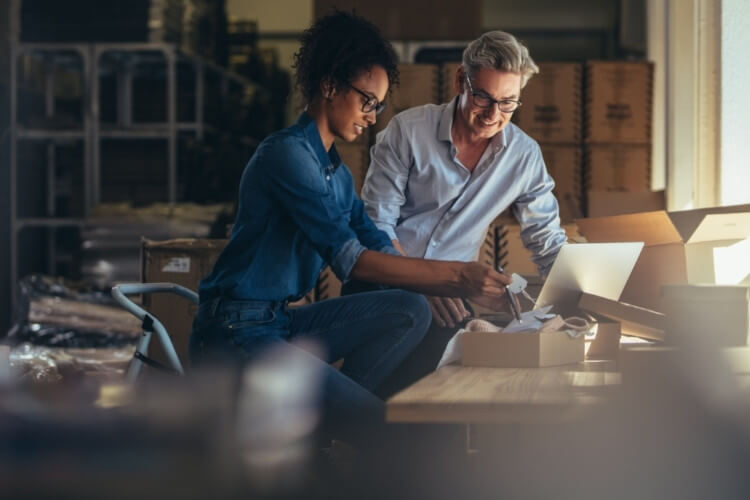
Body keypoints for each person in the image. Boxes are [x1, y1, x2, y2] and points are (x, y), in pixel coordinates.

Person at [188, 12, 512, 444]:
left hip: (280, 323)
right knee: (379, 425)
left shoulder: (334, 173)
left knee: (409, 308)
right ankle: (336, 426)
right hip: (234, 332)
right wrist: (456, 276)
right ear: (329, 86)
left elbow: (373, 237)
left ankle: (322, 428)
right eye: (367, 101)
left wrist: (432, 287)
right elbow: (352, 261)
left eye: (378, 106)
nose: (373, 117)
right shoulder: (287, 156)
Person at [347, 30, 568, 398]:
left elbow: (547, 242)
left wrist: (580, 295)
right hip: (385, 283)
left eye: (508, 103)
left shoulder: (524, 156)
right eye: (483, 97)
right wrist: (424, 280)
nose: (493, 115)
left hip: (452, 297)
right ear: (459, 82)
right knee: (380, 403)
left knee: (444, 400)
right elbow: (376, 226)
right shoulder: (408, 131)